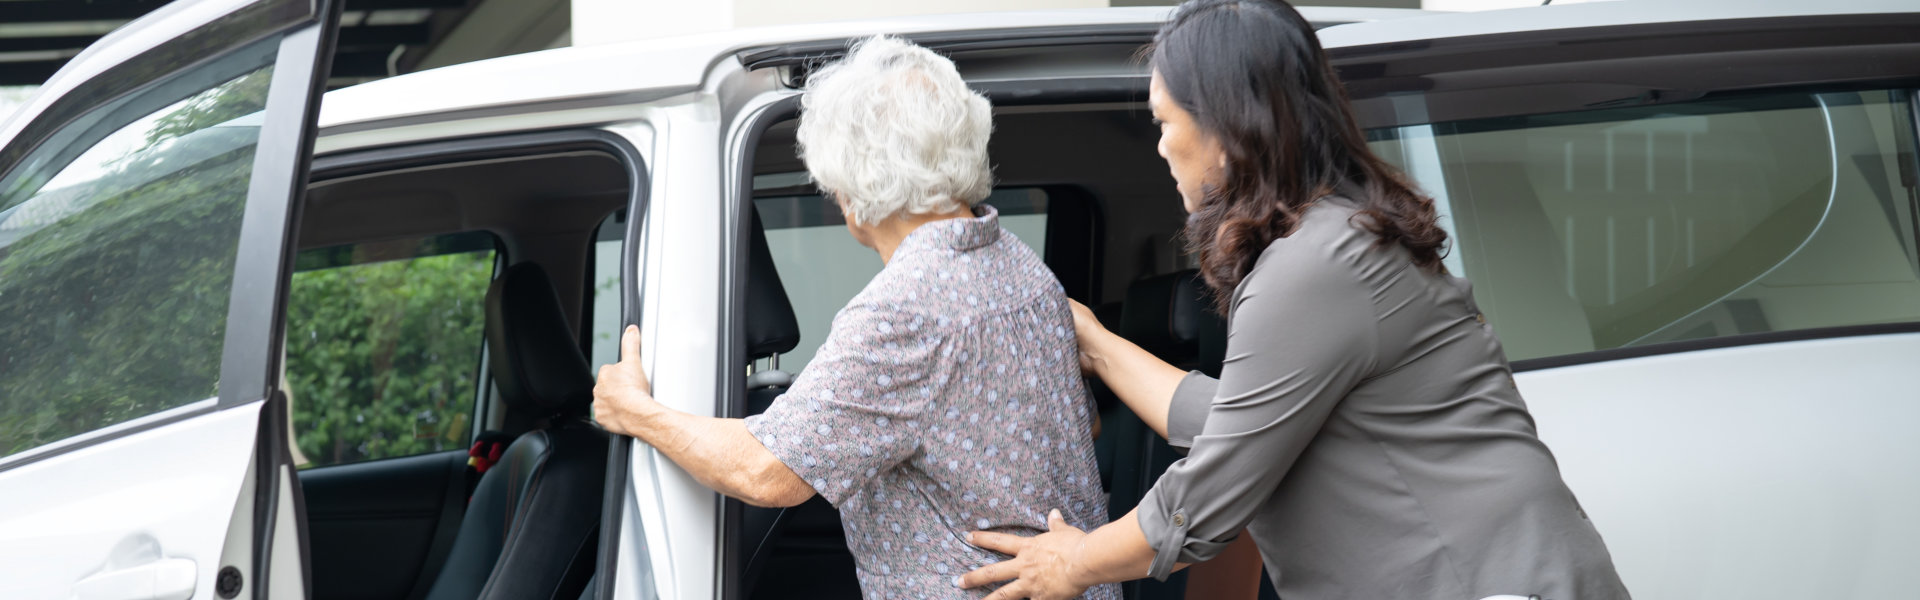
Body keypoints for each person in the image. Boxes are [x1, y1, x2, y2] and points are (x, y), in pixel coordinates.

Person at [957, 1, 1631, 599]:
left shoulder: (1312, 267)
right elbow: (1239, 422)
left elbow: (1208, 497)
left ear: (1225, 123)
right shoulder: (1338, 234)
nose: (1160, 146)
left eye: (1165, 121)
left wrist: (1074, 561)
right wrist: (1098, 346)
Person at [590, 36, 1120, 599]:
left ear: (854, 184)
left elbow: (766, 473)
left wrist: (636, 411)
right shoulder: (1023, 270)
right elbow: (1081, 427)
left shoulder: (905, 309)